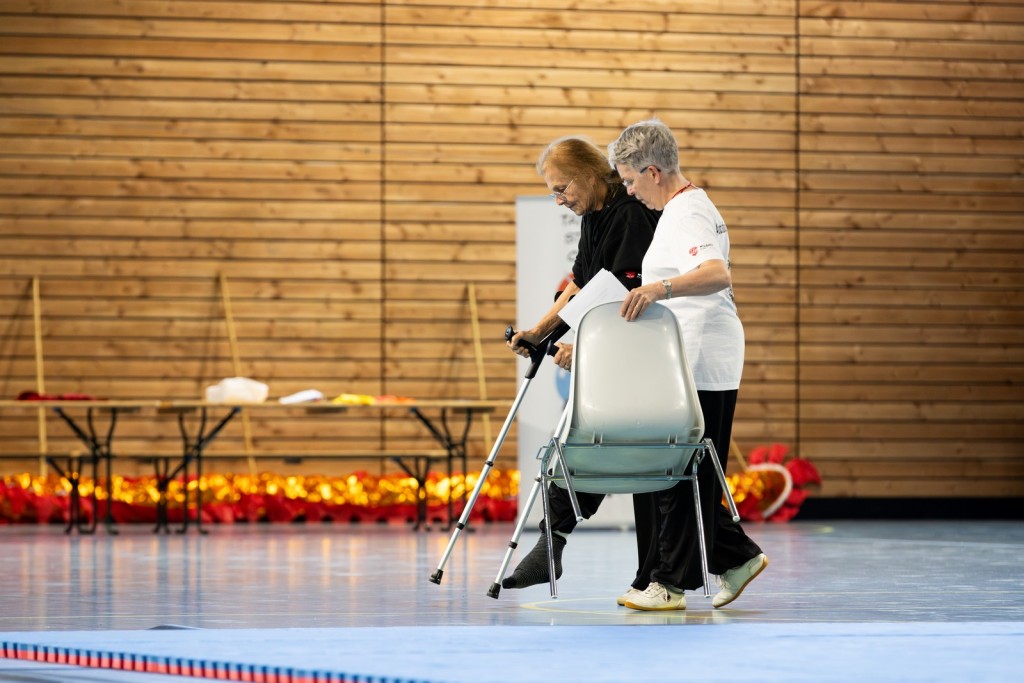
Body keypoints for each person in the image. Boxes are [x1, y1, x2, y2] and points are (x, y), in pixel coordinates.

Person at [608, 118, 768, 611]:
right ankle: (735, 559)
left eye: (630, 181)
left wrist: (659, 288)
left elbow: (716, 273)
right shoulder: (684, 208)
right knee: (685, 471)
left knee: (678, 471)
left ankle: (670, 585)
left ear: (652, 172)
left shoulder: (686, 213)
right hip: (697, 357)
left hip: (701, 360)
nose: (630, 192)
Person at [503, 135, 660, 597]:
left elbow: (623, 294)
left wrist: (583, 344)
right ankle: (551, 543)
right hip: (618, 358)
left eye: (562, 188)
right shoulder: (594, 217)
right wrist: (539, 332)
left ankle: (552, 543)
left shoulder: (630, 215)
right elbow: (580, 286)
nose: (559, 200)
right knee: (592, 446)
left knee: (597, 445)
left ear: (590, 175)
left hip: (643, 361)